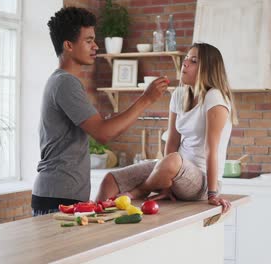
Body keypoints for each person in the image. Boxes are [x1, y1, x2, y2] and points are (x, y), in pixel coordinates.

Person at [31, 7, 168, 216]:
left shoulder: (62, 81)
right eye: (88, 40)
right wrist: (147, 98)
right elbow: (104, 133)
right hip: (57, 199)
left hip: (60, 195)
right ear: (68, 45)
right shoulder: (66, 83)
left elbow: (101, 127)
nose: (95, 46)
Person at [96, 43, 238, 213]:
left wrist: (213, 194)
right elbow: (172, 141)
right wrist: (165, 183)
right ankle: (96, 220)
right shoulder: (179, 95)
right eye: (186, 59)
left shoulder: (215, 97)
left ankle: (140, 191)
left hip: (203, 181)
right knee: (110, 180)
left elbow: (211, 149)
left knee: (172, 161)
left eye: (193, 61)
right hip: (175, 171)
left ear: (208, 69)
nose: (185, 63)